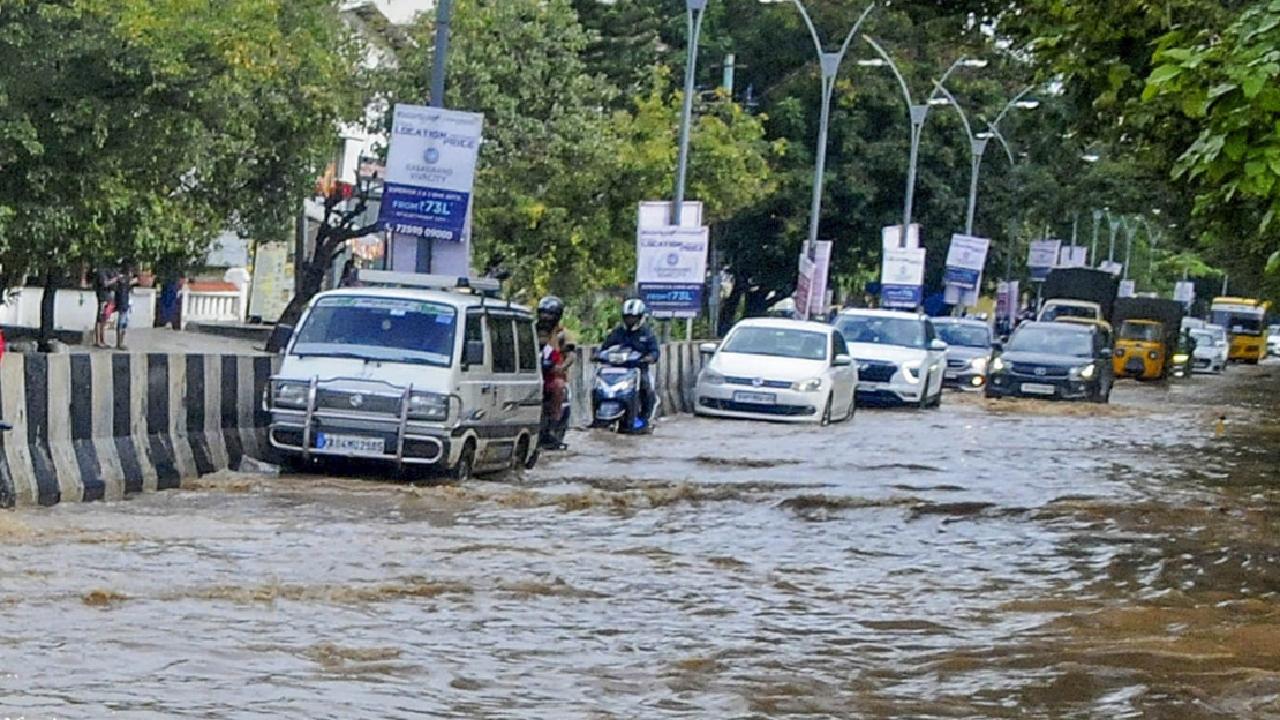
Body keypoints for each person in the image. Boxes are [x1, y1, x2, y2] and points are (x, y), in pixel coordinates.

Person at [602, 298, 660, 430]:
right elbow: (604, 347)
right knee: (599, 386)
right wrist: (598, 355)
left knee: (646, 387)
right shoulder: (617, 332)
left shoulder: (647, 333)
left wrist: (649, 358)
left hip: (637, 371)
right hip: (616, 370)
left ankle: (645, 418)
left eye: (633, 317)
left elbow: (655, 351)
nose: (630, 320)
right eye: (627, 317)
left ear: (640, 317)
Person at [536, 296, 574, 450]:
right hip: (535, 374)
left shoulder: (562, 334)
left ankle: (553, 423)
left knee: (557, 387)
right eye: (543, 313)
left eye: (550, 314)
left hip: (553, 375)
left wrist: (562, 367)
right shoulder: (532, 329)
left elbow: (571, 355)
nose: (546, 318)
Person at [92, 266, 119, 348]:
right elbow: (105, 283)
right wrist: (115, 279)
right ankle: (99, 341)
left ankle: (102, 340)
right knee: (100, 319)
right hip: (103, 298)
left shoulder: (109, 270)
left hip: (107, 298)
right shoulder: (101, 271)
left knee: (104, 319)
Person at [114, 265, 136, 351]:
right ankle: (120, 343)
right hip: (123, 304)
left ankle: (120, 343)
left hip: (124, 304)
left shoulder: (123, 281)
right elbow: (123, 294)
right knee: (122, 324)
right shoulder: (124, 281)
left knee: (123, 324)